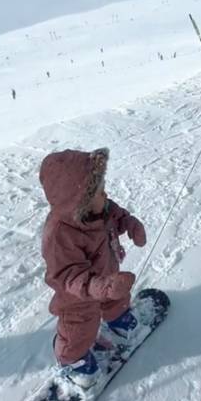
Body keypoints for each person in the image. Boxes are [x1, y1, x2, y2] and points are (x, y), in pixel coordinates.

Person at [39, 148, 147, 387]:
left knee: (116, 299)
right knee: (80, 327)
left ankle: (117, 318)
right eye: (98, 191)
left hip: (106, 273)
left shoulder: (101, 207)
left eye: (102, 187)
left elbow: (116, 215)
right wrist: (99, 286)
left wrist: (130, 223)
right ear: (80, 202)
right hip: (76, 296)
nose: (105, 194)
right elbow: (67, 276)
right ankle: (71, 359)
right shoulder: (59, 235)